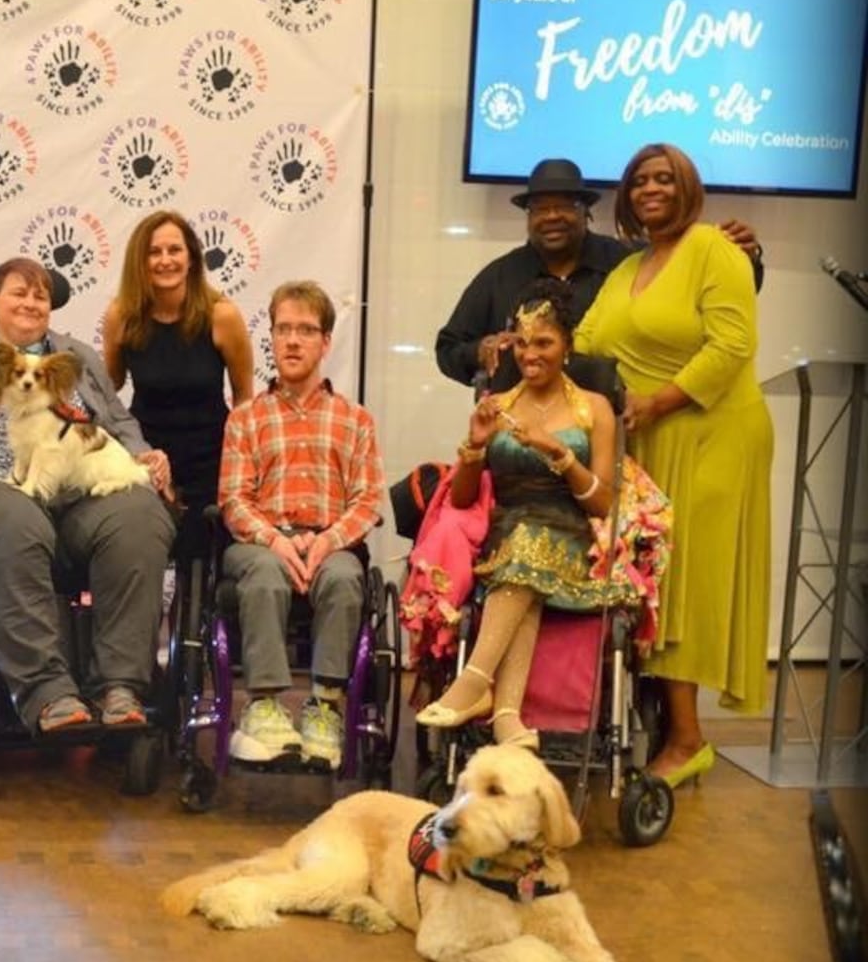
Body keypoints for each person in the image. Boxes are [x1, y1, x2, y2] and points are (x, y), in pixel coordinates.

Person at [0, 256, 175, 734]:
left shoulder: (78, 359)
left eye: (40, 296)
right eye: (18, 293)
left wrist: (145, 456)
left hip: (80, 491)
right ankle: (49, 693)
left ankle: (121, 686)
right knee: (15, 517)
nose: (30, 303)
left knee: (139, 516)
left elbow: (120, 424)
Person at [574, 142, 773, 788]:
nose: (650, 189)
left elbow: (734, 343)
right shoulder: (628, 267)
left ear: (688, 187)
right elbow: (584, 342)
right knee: (654, 580)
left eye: (664, 178)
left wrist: (657, 400)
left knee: (682, 583)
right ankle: (667, 725)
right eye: (639, 181)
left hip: (713, 431)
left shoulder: (717, 250)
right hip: (651, 440)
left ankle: (688, 740)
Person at [415, 279, 632, 747]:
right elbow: (460, 500)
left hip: (574, 535)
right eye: (521, 343)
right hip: (505, 533)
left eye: (544, 343)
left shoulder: (594, 408)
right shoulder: (497, 407)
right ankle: (508, 717)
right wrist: (474, 445)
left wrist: (560, 454)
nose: (530, 354)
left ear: (568, 347)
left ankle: (475, 684)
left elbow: (603, 503)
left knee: (529, 551)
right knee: (523, 556)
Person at [217, 280, 384, 769]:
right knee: (266, 575)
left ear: (325, 342)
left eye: (305, 330)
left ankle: (324, 709)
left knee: (345, 579)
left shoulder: (355, 419)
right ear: (270, 336)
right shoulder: (246, 418)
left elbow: (368, 499)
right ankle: (264, 705)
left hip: (330, 542)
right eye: (283, 329)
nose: (292, 340)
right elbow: (232, 498)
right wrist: (274, 540)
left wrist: (326, 541)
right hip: (259, 542)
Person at [435, 157, 764, 388]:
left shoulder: (627, 261)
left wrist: (746, 259)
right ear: (528, 216)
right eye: (540, 209)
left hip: (618, 431)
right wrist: (482, 349)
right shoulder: (500, 275)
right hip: (521, 445)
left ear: (586, 213)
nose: (552, 216)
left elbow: (712, 289)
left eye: (565, 206)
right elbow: (447, 348)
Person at [102, 209, 253, 554]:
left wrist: (239, 463)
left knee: (206, 551)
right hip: (146, 456)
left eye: (175, 250)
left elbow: (244, 397)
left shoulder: (222, 315)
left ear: (192, 258)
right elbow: (108, 388)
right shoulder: (119, 316)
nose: (165, 260)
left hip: (211, 458)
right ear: (139, 261)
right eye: (154, 252)